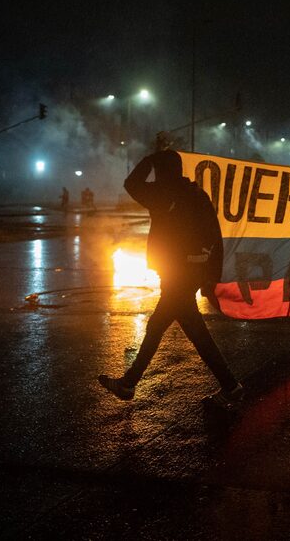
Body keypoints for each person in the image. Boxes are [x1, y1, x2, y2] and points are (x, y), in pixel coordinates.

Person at [98, 147, 242, 408]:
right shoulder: (196, 194)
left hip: (177, 274)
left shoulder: (162, 193)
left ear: (161, 171)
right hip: (190, 273)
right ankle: (230, 386)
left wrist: (150, 159)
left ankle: (129, 384)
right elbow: (214, 236)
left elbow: (132, 183)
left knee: (161, 327)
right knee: (190, 331)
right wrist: (211, 275)